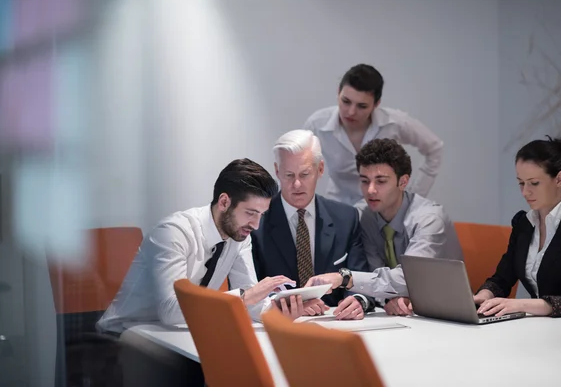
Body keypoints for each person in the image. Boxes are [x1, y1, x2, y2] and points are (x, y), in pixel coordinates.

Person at [97, 158, 315, 334]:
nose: (256, 225)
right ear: (224, 202)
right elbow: (170, 311)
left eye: (261, 215)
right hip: (125, 335)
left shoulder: (239, 236)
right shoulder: (172, 233)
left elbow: (251, 303)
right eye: (250, 213)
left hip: (178, 335)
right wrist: (245, 297)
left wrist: (282, 308)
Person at [306, 138, 463, 316]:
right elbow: (372, 271)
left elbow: (410, 278)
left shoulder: (429, 219)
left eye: (381, 181)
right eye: (365, 181)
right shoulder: (363, 214)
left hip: (447, 311)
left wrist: (345, 278)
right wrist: (387, 299)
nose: (370, 190)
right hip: (399, 313)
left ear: (403, 182)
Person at [252, 130, 374, 320]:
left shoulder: (345, 217)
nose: (297, 184)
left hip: (337, 323)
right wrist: (287, 305)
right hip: (279, 326)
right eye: (289, 175)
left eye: (305, 174)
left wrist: (358, 300)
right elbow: (249, 290)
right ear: (277, 171)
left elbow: (362, 277)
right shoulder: (256, 221)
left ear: (321, 169)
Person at [474, 137, 561, 320]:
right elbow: (501, 279)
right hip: (541, 328)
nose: (525, 192)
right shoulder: (524, 224)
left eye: (534, 183)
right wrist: (482, 297)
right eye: (521, 183)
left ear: (559, 178)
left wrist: (521, 304)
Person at [304, 63, 443, 211]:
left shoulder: (394, 124)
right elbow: (299, 166)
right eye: (346, 101)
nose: (351, 112)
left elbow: (434, 148)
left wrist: (413, 196)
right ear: (338, 93)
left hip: (384, 212)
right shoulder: (317, 125)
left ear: (376, 104)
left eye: (362, 106)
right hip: (339, 208)